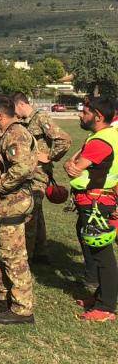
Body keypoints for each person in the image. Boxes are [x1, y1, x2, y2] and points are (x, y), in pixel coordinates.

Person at [63, 97, 118, 321]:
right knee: (98, 254)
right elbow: (71, 163)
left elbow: (73, 167)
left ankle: (106, 308)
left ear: (98, 116)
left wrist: (71, 164)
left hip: (96, 203)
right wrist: (71, 163)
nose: (79, 115)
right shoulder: (103, 136)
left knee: (102, 256)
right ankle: (100, 296)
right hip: (99, 201)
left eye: (84, 112)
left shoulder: (99, 142)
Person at [0, 94, 37, 325]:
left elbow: (22, 168)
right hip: (5, 201)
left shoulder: (16, 134)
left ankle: (22, 308)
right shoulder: (7, 133)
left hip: (13, 200)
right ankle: (7, 297)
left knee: (13, 256)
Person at [13, 91, 71, 263]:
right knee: (36, 211)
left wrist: (50, 156)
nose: (14, 113)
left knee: (30, 212)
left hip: (38, 172)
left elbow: (64, 140)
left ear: (21, 104)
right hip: (29, 171)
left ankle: (28, 257)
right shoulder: (24, 121)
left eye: (14, 108)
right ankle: (41, 251)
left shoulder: (41, 118)